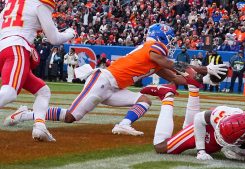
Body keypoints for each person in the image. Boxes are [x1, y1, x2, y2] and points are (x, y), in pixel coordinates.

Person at [4, 23, 227, 137]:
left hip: (115, 87)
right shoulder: (153, 48)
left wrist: (203, 78)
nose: (170, 41)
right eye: (168, 37)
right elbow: (170, 64)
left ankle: (124, 124)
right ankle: (25, 114)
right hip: (104, 80)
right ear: (160, 36)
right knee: (71, 117)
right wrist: (205, 66)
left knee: (144, 100)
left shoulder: (156, 58)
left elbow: (177, 78)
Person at [141, 85, 245, 164]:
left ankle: (193, 88)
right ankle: (167, 97)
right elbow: (199, 119)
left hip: (229, 135)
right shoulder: (223, 114)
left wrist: (244, 156)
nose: (219, 137)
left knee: (190, 134)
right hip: (209, 126)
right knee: (161, 147)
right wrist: (200, 151)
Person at [0, 0, 75, 141]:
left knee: (43, 91)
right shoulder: (39, 3)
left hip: (4, 49)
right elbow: (54, 38)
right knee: (9, 92)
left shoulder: (10, 4)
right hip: (17, 47)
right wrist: (70, 34)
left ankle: (40, 126)